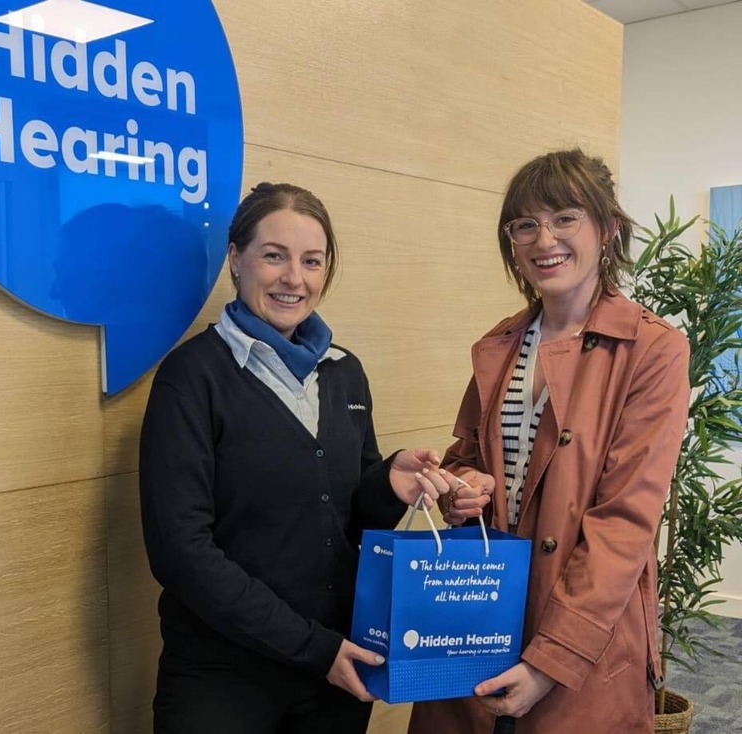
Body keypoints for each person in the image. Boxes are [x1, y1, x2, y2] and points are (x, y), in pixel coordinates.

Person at [139, 182, 471, 734]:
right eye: (275, 256)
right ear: (235, 260)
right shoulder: (192, 378)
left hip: (333, 682)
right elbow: (181, 552)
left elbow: (351, 520)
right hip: (223, 682)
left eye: (312, 261)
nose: (295, 278)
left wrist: (388, 485)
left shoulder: (344, 372)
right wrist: (314, 647)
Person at [409, 149, 691, 734]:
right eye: (526, 224)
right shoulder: (501, 343)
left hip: (584, 630)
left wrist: (550, 662)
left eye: (565, 217)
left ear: (607, 228)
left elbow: (625, 521)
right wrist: (464, 487)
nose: (545, 239)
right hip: (480, 610)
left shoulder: (653, 349)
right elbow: (469, 460)